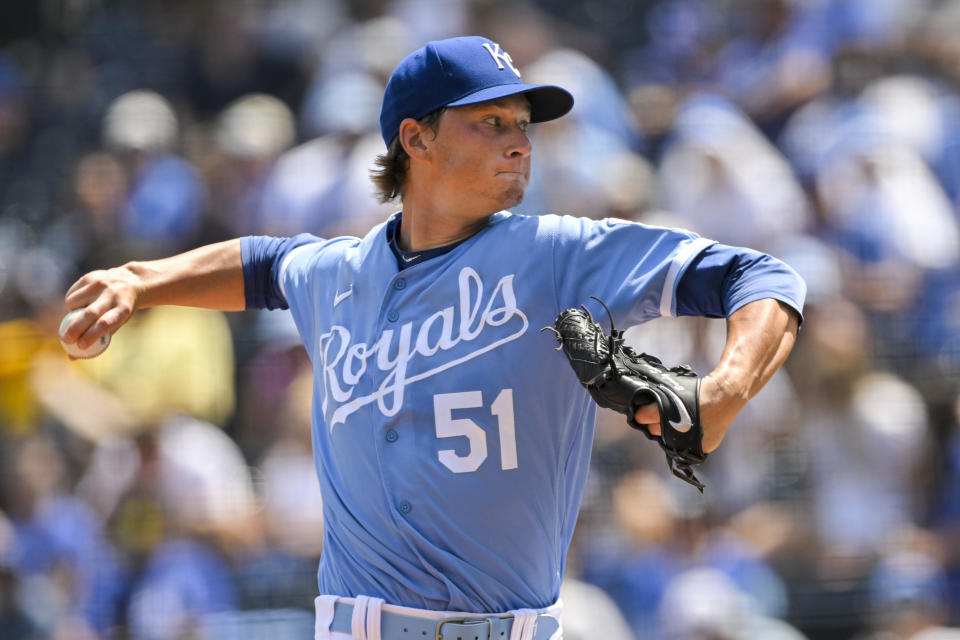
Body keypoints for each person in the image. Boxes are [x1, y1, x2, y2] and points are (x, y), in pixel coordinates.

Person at [61, 36, 804, 640]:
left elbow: (763, 277)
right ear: (413, 137)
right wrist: (140, 280)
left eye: (523, 124)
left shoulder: (557, 254)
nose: (520, 143)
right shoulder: (340, 272)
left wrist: (727, 387)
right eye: (491, 123)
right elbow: (261, 263)